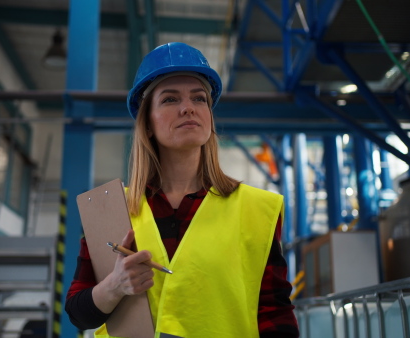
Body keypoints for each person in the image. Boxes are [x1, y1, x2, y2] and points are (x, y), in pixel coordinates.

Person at [66, 42, 299, 338]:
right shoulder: (109, 209)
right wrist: (115, 285)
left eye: (199, 98)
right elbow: (78, 313)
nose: (188, 107)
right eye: (170, 99)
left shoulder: (256, 209)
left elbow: (273, 311)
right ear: (147, 123)